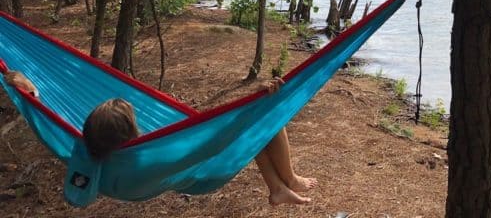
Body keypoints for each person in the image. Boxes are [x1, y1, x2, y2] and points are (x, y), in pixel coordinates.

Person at [81, 77, 316, 206]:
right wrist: (255, 102)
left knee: (252, 139)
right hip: (202, 176)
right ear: (130, 132)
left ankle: (277, 189)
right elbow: (216, 137)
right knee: (270, 120)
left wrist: (41, 101)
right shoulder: (151, 157)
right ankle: (291, 179)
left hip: (169, 175)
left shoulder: (95, 150)